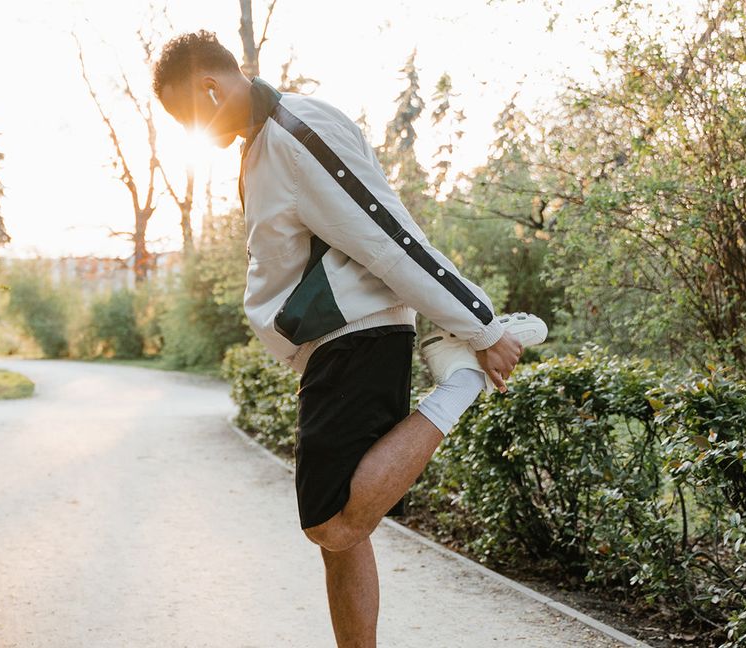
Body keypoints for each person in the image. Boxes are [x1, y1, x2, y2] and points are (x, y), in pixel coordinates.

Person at [149, 31, 548, 647]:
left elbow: (389, 237)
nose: (190, 133)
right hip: (331, 343)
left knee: (331, 522)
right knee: (344, 542)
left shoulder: (293, 134)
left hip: (355, 335)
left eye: (186, 118)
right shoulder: (263, 143)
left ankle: (460, 381)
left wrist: (481, 326)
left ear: (208, 88)